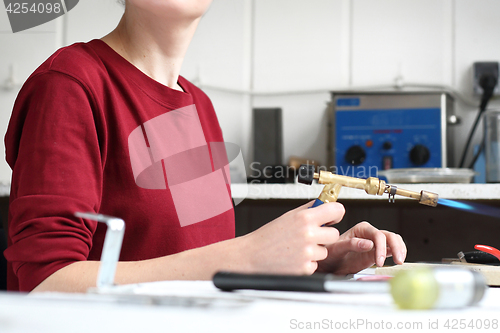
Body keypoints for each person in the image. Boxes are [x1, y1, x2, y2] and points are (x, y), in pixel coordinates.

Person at [3, 0, 406, 293]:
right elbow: (46, 283)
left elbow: (195, 269)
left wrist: (316, 262)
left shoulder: (198, 105)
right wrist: (247, 256)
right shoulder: (70, 85)